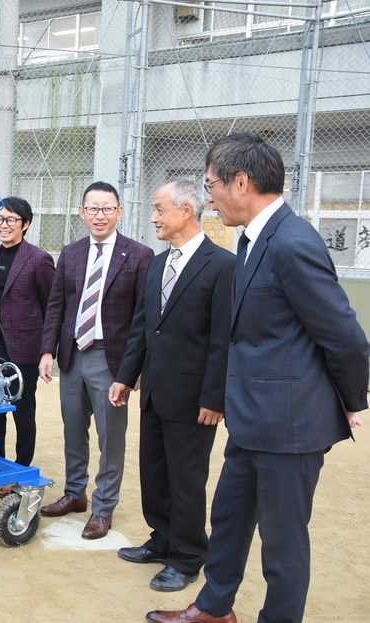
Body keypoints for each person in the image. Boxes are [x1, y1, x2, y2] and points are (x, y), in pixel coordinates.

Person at [147, 134, 370, 623]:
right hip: (251, 419)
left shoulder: (292, 242)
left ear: (240, 183)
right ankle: (213, 608)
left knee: (283, 542)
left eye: (211, 186)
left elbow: (346, 337)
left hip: (289, 427)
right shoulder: (252, 240)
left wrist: (352, 400)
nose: (208, 197)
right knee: (228, 519)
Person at [108, 180, 233, 592]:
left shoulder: (222, 266)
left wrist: (215, 397)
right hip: (157, 394)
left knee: (186, 480)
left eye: (160, 209)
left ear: (186, 210)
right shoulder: (158, 265)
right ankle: (162, 540)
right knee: (155, 474)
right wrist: (126, 378)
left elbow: (222, 339)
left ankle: (188, 556)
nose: (154, 217)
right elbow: (143, 329)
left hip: (196, 399)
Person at [37, 181, 154, 539]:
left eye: (107, 208)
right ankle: (75, 494)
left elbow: (143, 316)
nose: (99, 215)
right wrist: (47, 351)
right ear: (81, 212)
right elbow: (57, 305)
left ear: (119, 212)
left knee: (110, 437)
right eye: (93, 208)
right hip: (73, 355)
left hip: (112, 359)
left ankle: (104, 508)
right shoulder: (70, 253)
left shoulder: (139, 255)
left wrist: (136, 368)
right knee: (74, 431)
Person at [0, 197, 54, 496]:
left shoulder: (39, 259)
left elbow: (52, 307)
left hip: (24, 347)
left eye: (11, 219)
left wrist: (48, 350)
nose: (3, 224)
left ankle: (21, 468)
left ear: (26, 224)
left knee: (22, 410)